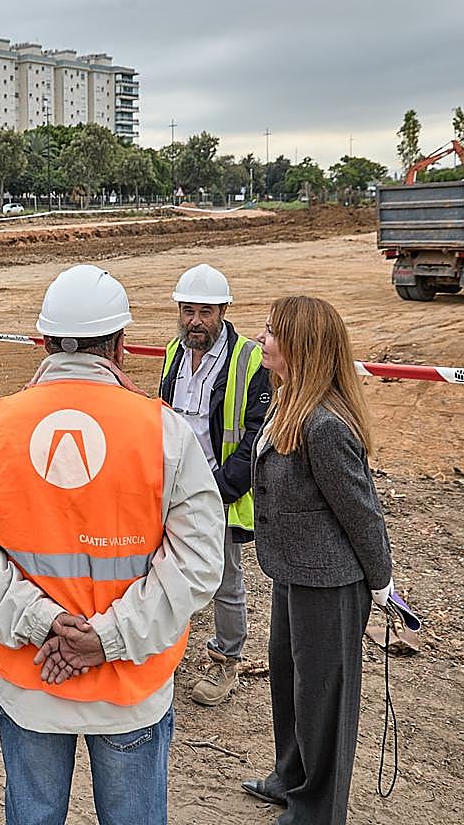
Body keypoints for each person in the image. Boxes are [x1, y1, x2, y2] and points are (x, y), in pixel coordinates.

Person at [0, 263, 225, 825]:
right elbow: (197, 561)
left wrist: (42, 623)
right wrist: (108, 638)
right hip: (130, 687)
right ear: (119, 345)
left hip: (32, 681)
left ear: (44, 342)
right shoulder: (165, 432)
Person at [244, 295, 394, 824]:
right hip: (291, 572)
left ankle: (317, 811)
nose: (262, 339)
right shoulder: (287, 403)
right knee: (290, 682)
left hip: (330, 584)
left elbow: (362, 513)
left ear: (299, 346)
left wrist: (382, 585)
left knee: (323, 700)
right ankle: (291, 777)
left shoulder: (325, 425)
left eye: (270, 332)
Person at [157, 262, 269, 706]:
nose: (195, 321)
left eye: (205, 311)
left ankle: (226, 661)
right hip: (172, 487)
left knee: (224, 580)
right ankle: (164, 651)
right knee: (164, 568)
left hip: (221, 488)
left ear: (222, 311)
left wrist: (223, 488)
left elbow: (258, 434)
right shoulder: (174, 353)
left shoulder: (249, 360)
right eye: (188, 311)